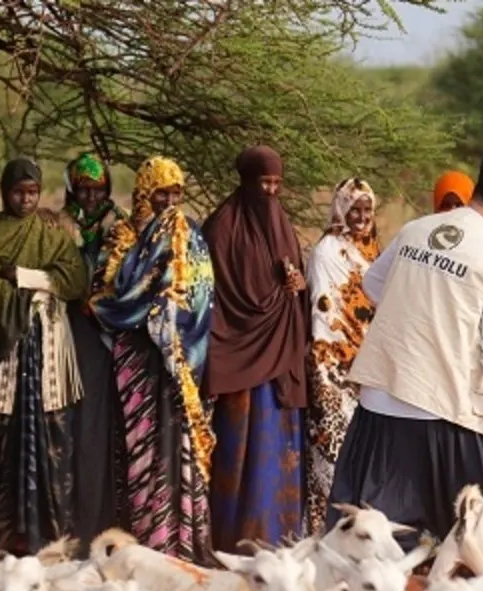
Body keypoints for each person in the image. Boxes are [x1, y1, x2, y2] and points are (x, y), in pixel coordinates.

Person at [327, 149, 483, 548]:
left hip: (381, 406)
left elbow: (374, 285)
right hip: (449, 415)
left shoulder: (416, 230)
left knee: (372, 546)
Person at [90, 156, 215, 562]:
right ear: (145, 190)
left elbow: (201, 293)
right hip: (138, 358)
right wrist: (148, 303)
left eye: (176, 192)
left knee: (176, 448)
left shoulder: (190, 235)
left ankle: (179, 539)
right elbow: (104, 294)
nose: (170, 200)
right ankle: (145, 539)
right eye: (162, 191)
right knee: (141, 446)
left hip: (180, 361)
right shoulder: (123, 234)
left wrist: (172, 319)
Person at [0, 158, 88, 555]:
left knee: (54, 442)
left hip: (50, 354)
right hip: (7, 356)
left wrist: (23, 277)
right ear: (5, 191)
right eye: (17, 192)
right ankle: (3, 543)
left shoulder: (50, 231)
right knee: (2, 447)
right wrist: (41, 289)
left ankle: (53, 542)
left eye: (32, 192)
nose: (25, 199)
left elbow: (75, 280)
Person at [201, 146, 307, 550]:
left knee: (278, 451)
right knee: (240, 450)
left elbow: (294, 282)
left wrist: (298, 288)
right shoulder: (222, 228)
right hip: (241, 361)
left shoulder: (281, 224)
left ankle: (278, 536)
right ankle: (235, 538)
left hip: (279, 360)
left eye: (277, 184)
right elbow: (216, 296)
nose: (270, 191)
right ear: (247, 181)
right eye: (264, 182)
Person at [305, 177, 380, 535]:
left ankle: (357, 535)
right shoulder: (326, 252)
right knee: (331, 456)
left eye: (367, 210)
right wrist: (327, 373)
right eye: (355, 210)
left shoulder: (374, 252)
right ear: (341, 210)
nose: (362, 218)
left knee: (364, 457)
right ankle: (323, 534)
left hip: (369, 372)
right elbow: (322, 316)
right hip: (331, 370)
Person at [59, 152, 126, 552]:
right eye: (81, 188)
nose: (88, 196)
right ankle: (64, 527)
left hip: (103, 338)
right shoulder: (56, 225)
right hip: (64, 334)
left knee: (96, 431)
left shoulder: (119, 226)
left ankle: (97, 526)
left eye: (96, 188)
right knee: (65, 429)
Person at [63, 152, 127, 270]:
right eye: (83, 189)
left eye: (99, 190)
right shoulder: (62, 221)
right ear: (73, 190)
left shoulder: (119, 220)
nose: (91, 197)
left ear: (107, 190)